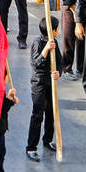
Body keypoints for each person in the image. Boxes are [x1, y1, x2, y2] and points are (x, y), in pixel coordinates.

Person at [26, 16, 62, 162]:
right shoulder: (38, 43)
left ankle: (47, 140)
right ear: (52, 30)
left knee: (51, 114)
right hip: (39, 84)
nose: (58, 31)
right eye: (57, 28)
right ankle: (31, 147)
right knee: (37, 115)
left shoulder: (55, 42)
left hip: (50, 83)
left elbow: (59, 61)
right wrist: (46, 50)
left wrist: (58, 72)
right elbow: (35, 63)